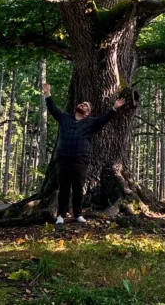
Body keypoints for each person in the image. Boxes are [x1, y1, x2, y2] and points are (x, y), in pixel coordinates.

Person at [43, 82, 126, 225]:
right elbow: (53, 109)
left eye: (85, 106)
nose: (82, 105)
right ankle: (60, 216)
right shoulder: (65, 118)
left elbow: (103, 119)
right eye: (82, 103)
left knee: (77, 188)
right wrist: (47, 94)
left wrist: (114, 108)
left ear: (87, 113)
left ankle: (77, 214)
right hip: (63, 158)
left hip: (80, 159)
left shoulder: (90, 123)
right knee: (63, 188)